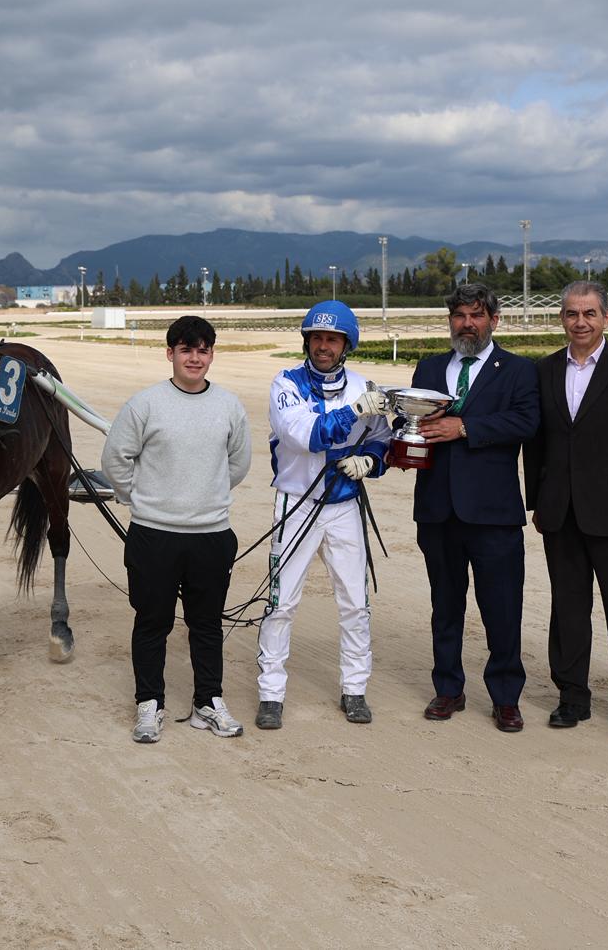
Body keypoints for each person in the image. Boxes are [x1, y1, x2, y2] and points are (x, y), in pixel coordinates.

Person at [101, 315, 252, 744]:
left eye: (203, 350)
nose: (195, 358)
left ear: (212, 355)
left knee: (207, 624)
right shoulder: (145, 404)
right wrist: (143, 500)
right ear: (170, 353)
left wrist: (204, 495)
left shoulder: (229, 406)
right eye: (186, 349)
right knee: (153, 622)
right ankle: (149, 704)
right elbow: (115, 460)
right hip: (154, 535)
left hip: (211, 535)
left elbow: (238, 464)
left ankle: (208, 702)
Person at [524, 281, 608, 739]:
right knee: (568, 607)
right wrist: (537, 500)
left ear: (606, 318)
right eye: (572, 314)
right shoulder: (543, 370)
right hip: (560, 511)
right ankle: (572, 696)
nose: (580, 322)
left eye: (589, 314)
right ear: (561, 318)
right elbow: (536, 443)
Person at [409, 282, 540, 731]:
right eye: (460, 316)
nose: (468, 324)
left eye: (477, 315)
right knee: (445, 606)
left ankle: (506, 696)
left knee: (502, 608)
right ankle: (448, 688)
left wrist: (463, 427)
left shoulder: (519, 370)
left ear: (494, 321)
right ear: (450, 320)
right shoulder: (429, 367)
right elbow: (412, 421)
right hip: (437, 510)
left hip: (493, 514)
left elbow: (525, 421)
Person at [255, 301, 392, 730]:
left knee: (355, 603)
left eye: (333, 339)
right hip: (295, 504)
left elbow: (382, 439)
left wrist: (370, 461)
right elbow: (309, 435)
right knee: (281, 603)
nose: (323, 346)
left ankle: (355, 689)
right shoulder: (286, 383)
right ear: (307, 340)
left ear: (347, 345)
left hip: (344, 506)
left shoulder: (363, 385)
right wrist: (356, 411)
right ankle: (271, 694)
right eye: (317, 337)